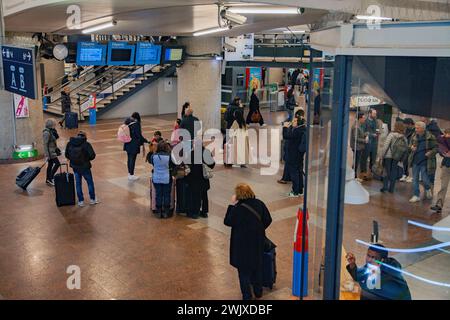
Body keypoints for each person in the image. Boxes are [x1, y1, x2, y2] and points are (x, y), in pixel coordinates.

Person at [224, 183, 273, 300]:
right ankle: (258, 291)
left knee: (243, 270)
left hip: (241, 244)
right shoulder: (259, 204)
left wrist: (232, 205)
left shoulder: (237, 209)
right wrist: (259, 230)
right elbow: (268, 219)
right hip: (257, 241)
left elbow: (227, 221)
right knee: (257, 266)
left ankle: (247, 295)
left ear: (238, 196)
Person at [346, 244, 411, 300]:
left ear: (382, 260)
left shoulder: (390, 271)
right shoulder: (373, 266)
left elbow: (368, 286)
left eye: (373, 257)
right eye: (368, 255)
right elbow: (359, 276)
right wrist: (352, 265)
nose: (369, 260)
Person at [65, 131, 98, 207]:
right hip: (85, 166)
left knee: (78, 183)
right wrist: (86, 159)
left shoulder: (70, 143)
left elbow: (67, 155)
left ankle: (80, 201)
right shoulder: (86, 144)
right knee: (89, 182)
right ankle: (92, 199)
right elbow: (92, 155)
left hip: (75, 167)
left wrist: (73, 159)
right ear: (85, 136)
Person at [185, 140, 215, 219]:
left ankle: (195, 212)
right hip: (204, 178)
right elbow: (212, 165)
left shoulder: (192, 154)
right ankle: (204, 212)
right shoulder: (206, 152)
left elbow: (187, 165)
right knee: (204, 195)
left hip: (194, 178)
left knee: (195, 196)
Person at [408, 121, 438, 203]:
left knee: (425, 180)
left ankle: (428, 188)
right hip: (415, 161)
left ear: (422, 129)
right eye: (415, 128)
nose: (416, 129)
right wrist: (411, 147)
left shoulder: (430, 137)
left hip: (425, 162)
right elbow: (409, 145)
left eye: (417, 128)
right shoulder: (414, 136)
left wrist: (430, 153)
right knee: (415, 179)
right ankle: (416, 195)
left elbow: (436, 148)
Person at [380, 122, 407, 193]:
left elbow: (386, 146)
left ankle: (385, 187)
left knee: (386, 170)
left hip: (388, 155)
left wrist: (382, 155)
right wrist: (402, 158)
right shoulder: (404, 137)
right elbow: (406, 149)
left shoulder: (391, 135)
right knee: (393, 171)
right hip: (397, 157)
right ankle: (391, 188)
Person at [149, 141, 175, 219]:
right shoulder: (169, 156)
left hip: (156, 177)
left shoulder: (153, 156)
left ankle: (159, 211)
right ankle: (166, 211)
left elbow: (153, 164)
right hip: (166, 177)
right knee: (167, 194)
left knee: (158, 194)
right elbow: (172, 165)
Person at [282, 117, 306, 197]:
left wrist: (285, 127)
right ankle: (300, 190)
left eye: (295, 121)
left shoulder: (297, 131)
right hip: (299, 155)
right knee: (299, 172)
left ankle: (295, 191)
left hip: (293, 155)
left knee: (294, 173)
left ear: (299, 122)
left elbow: (286, 136)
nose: (293, 122)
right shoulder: (302, 129)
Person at [124, 113, 149, 181]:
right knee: (132, 159)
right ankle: (131, 175)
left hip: (127, 143)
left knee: (129, 159)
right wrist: (146, 141)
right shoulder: (136, 124)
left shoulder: (128, 123)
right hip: (133, 145)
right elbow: (139, 136)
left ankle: (129, 174)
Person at [431, 128, 450, 213]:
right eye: (446, 134)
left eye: (448, 134)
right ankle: (439, 204)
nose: (447, 135)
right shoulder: (443, 139)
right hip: (446, 164)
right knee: (443, 186)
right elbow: (440, 148)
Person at [362, 109, 383, 180]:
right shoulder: (365, 121)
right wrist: (371, 135)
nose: (375, 115)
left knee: (373, 158)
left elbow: (377, 129)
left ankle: (371, 171)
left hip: (374, 143)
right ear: (369, 113)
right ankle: (363, 172)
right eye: (374, 114)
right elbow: (363, 132)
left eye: (375, 114)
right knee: (365, 157)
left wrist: (378, 132)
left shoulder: (376, 121)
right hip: (368, 142)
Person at [43, 119, 61, 186]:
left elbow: (53, 141)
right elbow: (45, 144)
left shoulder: (51, 131)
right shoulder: (46, 133)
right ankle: (50, 177)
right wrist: (47, 155)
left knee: (50, 165)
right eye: (54, 124)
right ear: (51, 125)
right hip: (50, 153)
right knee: (57, 164)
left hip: (52, 151)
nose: (55, 126)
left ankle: (48, 179)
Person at [350, 114, 368, 180]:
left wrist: (365, 134)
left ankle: (354, 176)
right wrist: (364, 140)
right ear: (360, 118)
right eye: (363, 118)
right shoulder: (356, 126)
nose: (364, 119)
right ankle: (353, 176)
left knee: (356, 162)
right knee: (356, 162)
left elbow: (359, 134)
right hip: (357, 147)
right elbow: (356, 138)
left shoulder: (359, 125)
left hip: (358, 147)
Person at [400, 118, 416, 183]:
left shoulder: (415, 130)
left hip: (412, 148)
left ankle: (410, 176)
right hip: (406, 147)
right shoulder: (407, 130)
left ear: (409, 124)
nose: (404, 125)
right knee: (405, 161)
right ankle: (405, 175)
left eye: (405, 124)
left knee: (411, 162)